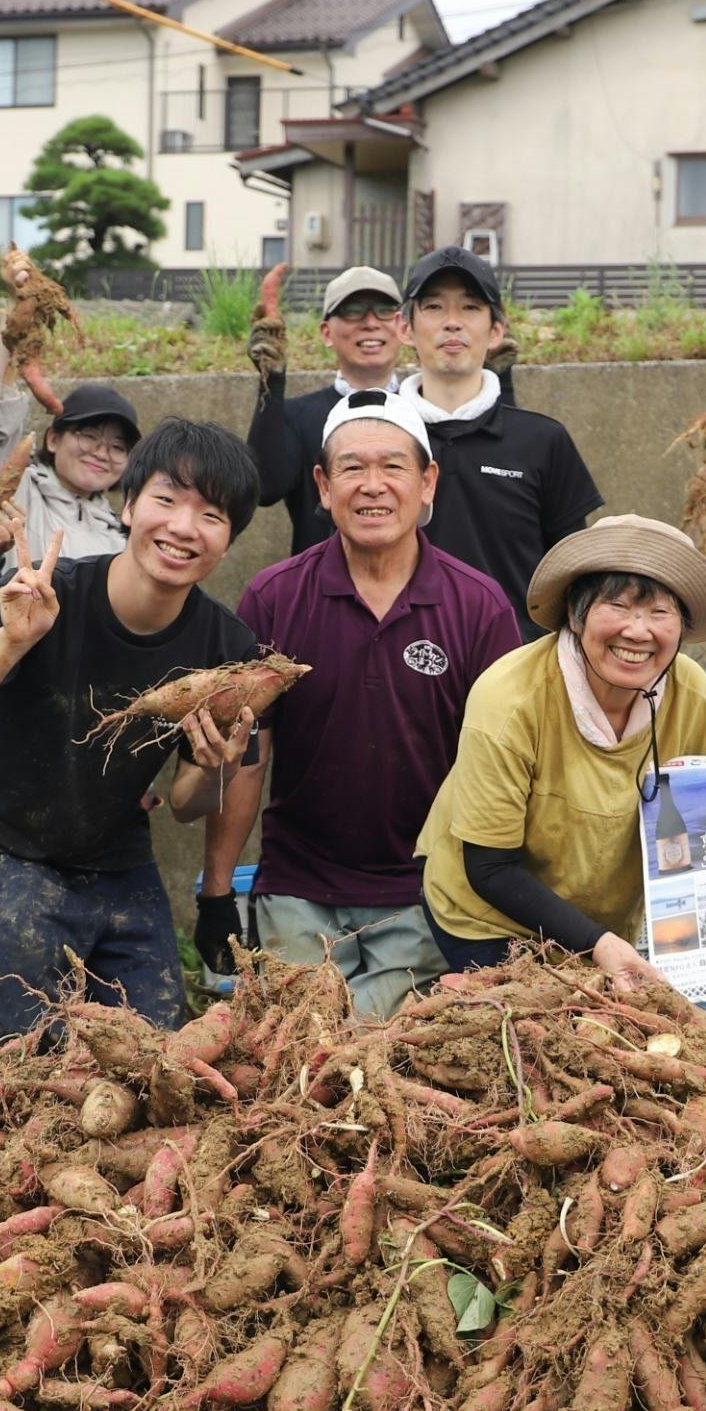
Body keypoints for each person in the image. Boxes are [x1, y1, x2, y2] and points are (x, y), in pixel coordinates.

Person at [0, 418, 266, 1038]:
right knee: (28, 1050)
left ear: (227, 540)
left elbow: (188, 804)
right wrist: (11, 643)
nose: (184, 527)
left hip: (115, 859)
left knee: (155, 1048)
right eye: (166, 500)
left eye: (211, 516)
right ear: (128, 506)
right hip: (0, 844)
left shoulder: (225, 648)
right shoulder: (46, 594)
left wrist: (219, 766)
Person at [218, 391, 520, 1016]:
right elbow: (248, 756)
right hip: (298, 890)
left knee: (375, 1046)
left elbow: (507, 768)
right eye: (352, 467)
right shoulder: (274, 598)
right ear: (323, 486)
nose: (372, 486)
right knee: (298, 1045)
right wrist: (216, 892)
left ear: (427, 481)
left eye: (393, 466)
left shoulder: (479, 606)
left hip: (428, 894)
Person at [417, 516, 706, 987]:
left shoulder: (693, 694)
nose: (638, 631)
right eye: (618, 606)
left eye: (660, 612)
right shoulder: (510, 697)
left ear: (682, 627)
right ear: (575, 614)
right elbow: (490, 868)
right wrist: (598, 943)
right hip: (490, 919)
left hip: (604, 928)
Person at [396, 247, 602, 633]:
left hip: (517, 661)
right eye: (434, 307)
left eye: (471, 307)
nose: (452, 323)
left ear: (496, 331)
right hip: (399, 659)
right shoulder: (375, 439)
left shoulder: (543, 441)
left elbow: (575, 576)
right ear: (404, 327)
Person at [246, 264, 408, 553]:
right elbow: (265, 488)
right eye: (352, 311)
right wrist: (272, 380)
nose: (371, 322)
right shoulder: (298, 417)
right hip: (320, 579)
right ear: (326, 332)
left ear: (402, 326)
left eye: (384, 310)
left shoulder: (426, 411)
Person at [0, 364, 141, 565]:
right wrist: (10, 346)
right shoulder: (15, 489)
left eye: (118, 447)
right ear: (53, 439)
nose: (102, 453)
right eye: (89, 436)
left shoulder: (123, 540)